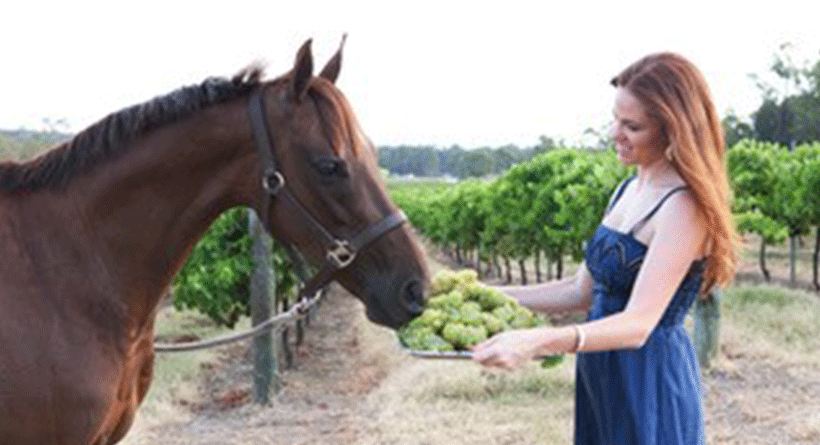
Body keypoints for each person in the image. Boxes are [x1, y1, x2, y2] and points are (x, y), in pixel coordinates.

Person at [472, 52, 738, 445]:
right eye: (615, 118)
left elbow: (637, 325)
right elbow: (580, 290)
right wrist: (485, 296)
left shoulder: (684, 207)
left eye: (632, 126)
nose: (616, 133)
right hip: (602, 374)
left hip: (649, 380)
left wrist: (537, 341)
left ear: (672, 129)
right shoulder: (627, 190)